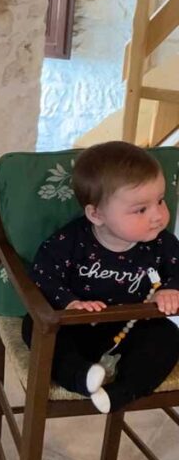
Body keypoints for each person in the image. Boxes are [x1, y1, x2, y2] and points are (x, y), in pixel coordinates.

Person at [23, 141, 179, 413]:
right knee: (35, 329)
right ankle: (81, 377)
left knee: (167, 336)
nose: (157, 216)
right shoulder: (69, 242)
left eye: (160, 201)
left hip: (133, 324)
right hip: (76, 325)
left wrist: (170, 288)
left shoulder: (161, 244)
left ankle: (122, 392)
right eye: (141, 209)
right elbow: (43, 274)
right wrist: (70, 303)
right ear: (97, 214)